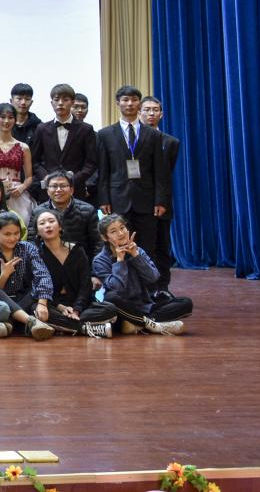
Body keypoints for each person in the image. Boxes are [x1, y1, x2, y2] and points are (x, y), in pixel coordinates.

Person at [95, 85, 170, 265]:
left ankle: (147, 282)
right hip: (117, 198)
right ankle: (121, 281)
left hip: (146, 199)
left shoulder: (152, 134)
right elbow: (103, 170)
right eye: (125, 100)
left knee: (147, 246)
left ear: (139, 104)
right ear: (118, 103)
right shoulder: (105, 134)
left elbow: (160, 171)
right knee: (118, 246)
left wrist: (160, 200)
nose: (130, 103)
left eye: (134, 100)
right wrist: (104, 199)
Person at [91, 214, 190, 335]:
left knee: (185, 303)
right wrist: (120, 261)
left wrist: (135, 256)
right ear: (104, 237)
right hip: (122, 308)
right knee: (111, 298)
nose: (121, 233)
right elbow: (117, 288)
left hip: (145, 305)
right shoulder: (100, 260)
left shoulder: (138, 251)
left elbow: (153, 277)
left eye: (122, 228)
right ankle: (152, 325)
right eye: (113, 231)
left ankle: (138, 324)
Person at [33, 210, 116, 338]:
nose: (47, 225)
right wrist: (60, 307)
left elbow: (85, 285)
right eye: (42, 223)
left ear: (60, 226)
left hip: (79, 303)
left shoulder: (77, 250)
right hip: (54, 304)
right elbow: (38, 288)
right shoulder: (36, 254)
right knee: (36, 308)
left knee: (110, 309)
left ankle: (67, 326)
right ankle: (85, 328)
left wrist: (76, 310)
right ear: (38, 232)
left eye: (51, 221)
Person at [0, 212, 57, 340]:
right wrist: (4, 275)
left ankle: (9, 325)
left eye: (16, 233)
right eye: (7, 234)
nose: (13, 238)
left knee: (35, 293)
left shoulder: (27, 248)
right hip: (0, 303)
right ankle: (30, 322)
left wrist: (42, 303)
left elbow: (42, 275)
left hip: (23, 298)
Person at [141, 94, 181, 297]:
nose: (151, 113)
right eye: (147, 110)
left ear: (161, 114)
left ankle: (162, 287)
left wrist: (161, 200)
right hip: (135, 200)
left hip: (160, 202)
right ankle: (139, 288)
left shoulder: (171, 142)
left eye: (155, 110)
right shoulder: (130, 138)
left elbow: (165, 175)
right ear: (139, 112)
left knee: (162, 246)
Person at [30, 83, 98, 203]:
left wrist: (73, 180)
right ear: (52, 103)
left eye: (65, 100)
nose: (60, 103)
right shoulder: (41, 129)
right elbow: (34, 161)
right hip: (49, 190)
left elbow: (91, 162)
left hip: (76, 190)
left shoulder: (86, 129)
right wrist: (47, 177)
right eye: (56, 99)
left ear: (72, 102)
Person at [28, 171, 100, 260]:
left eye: (63, 186)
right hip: (47, 262)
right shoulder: (38, 212)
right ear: (47, 191)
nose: (58, 190)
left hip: (81, 261)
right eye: (54, 186)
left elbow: (98, 242)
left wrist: (95, 266)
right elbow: (32, 241)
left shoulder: (88, 210)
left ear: (72, 190)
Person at [0, 83, 43, 147]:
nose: (23, 102)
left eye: (27, 99)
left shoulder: (39, 127)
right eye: (19, 98)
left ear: (31, 102)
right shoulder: (1, 125)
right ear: (11, 101)